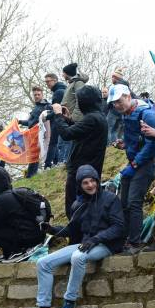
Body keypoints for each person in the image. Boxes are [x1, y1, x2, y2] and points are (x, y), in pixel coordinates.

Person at [19, 165, 125, 308]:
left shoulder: (110, 199)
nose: (90, 185)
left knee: (78, 257)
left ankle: (69, 302)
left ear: (97, 181)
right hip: (86, 243)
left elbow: (118, 227)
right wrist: (52, 229)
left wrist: (96, 239)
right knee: (43, 263)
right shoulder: (78, 204)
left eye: (92, 181)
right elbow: (72, 229)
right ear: (80, 186)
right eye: (85, 183)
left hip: (106, 245)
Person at [109, 83, 155, 254]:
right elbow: (137, 140)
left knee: (134, 202)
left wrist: (135, 163)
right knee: (123, 203)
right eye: (114, 103)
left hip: (147, 162)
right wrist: (124, 144)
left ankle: (135, 242)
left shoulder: (146, 113)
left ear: (128, 97)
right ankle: (125, 238)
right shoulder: (126, 113)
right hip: (134, 161)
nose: (116, 105)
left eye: (119, 101)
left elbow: (152, 144)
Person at [50, 85, 107, 218]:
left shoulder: (92, 118)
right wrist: (68, 120)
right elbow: (78, 132)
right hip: (88, 168)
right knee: (84, 205)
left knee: (74, 206)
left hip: (81, 171)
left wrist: (58, 115)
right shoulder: (97, 117)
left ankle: (75, 234)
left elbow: (66, 134)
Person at [0, 167, 45, 259]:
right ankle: (10, 252)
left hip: (29, 238)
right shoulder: (13, 194)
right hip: (37, 233)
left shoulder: (2, 199)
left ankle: (17, 250)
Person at [20, 85, 52, 178]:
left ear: (42, 94)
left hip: (41, 135)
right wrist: (19, 121)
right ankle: (30, 174)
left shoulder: (47, 106)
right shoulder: (36, 107)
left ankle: (31, 175)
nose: (36, 96)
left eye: (38, 94)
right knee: (33, 155)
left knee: (36, 155)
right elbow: (31, 122)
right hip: (32, 135)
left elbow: (50, 122)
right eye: (35, 95)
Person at [59, 63, 88, 163]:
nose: (62, 75)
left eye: (63, 73)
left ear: (67, 73)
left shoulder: (78, 83)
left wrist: (74, 117)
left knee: (75, 142)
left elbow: (80, 100)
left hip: (74, 119)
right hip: (68, 118)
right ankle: (70, 161)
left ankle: (71, 161)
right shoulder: (72, 83)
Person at [44, 72, 67, 167]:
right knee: (57, 142)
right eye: (46, 82)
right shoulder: (62, 89)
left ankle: (48, 165)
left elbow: (57, 109)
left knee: (53, 142)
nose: (47, 84)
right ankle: (57, 162)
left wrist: (46, 116)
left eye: (48, 81)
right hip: (64, 118)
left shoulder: (58, 92)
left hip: (59, 119)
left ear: (55, 80)